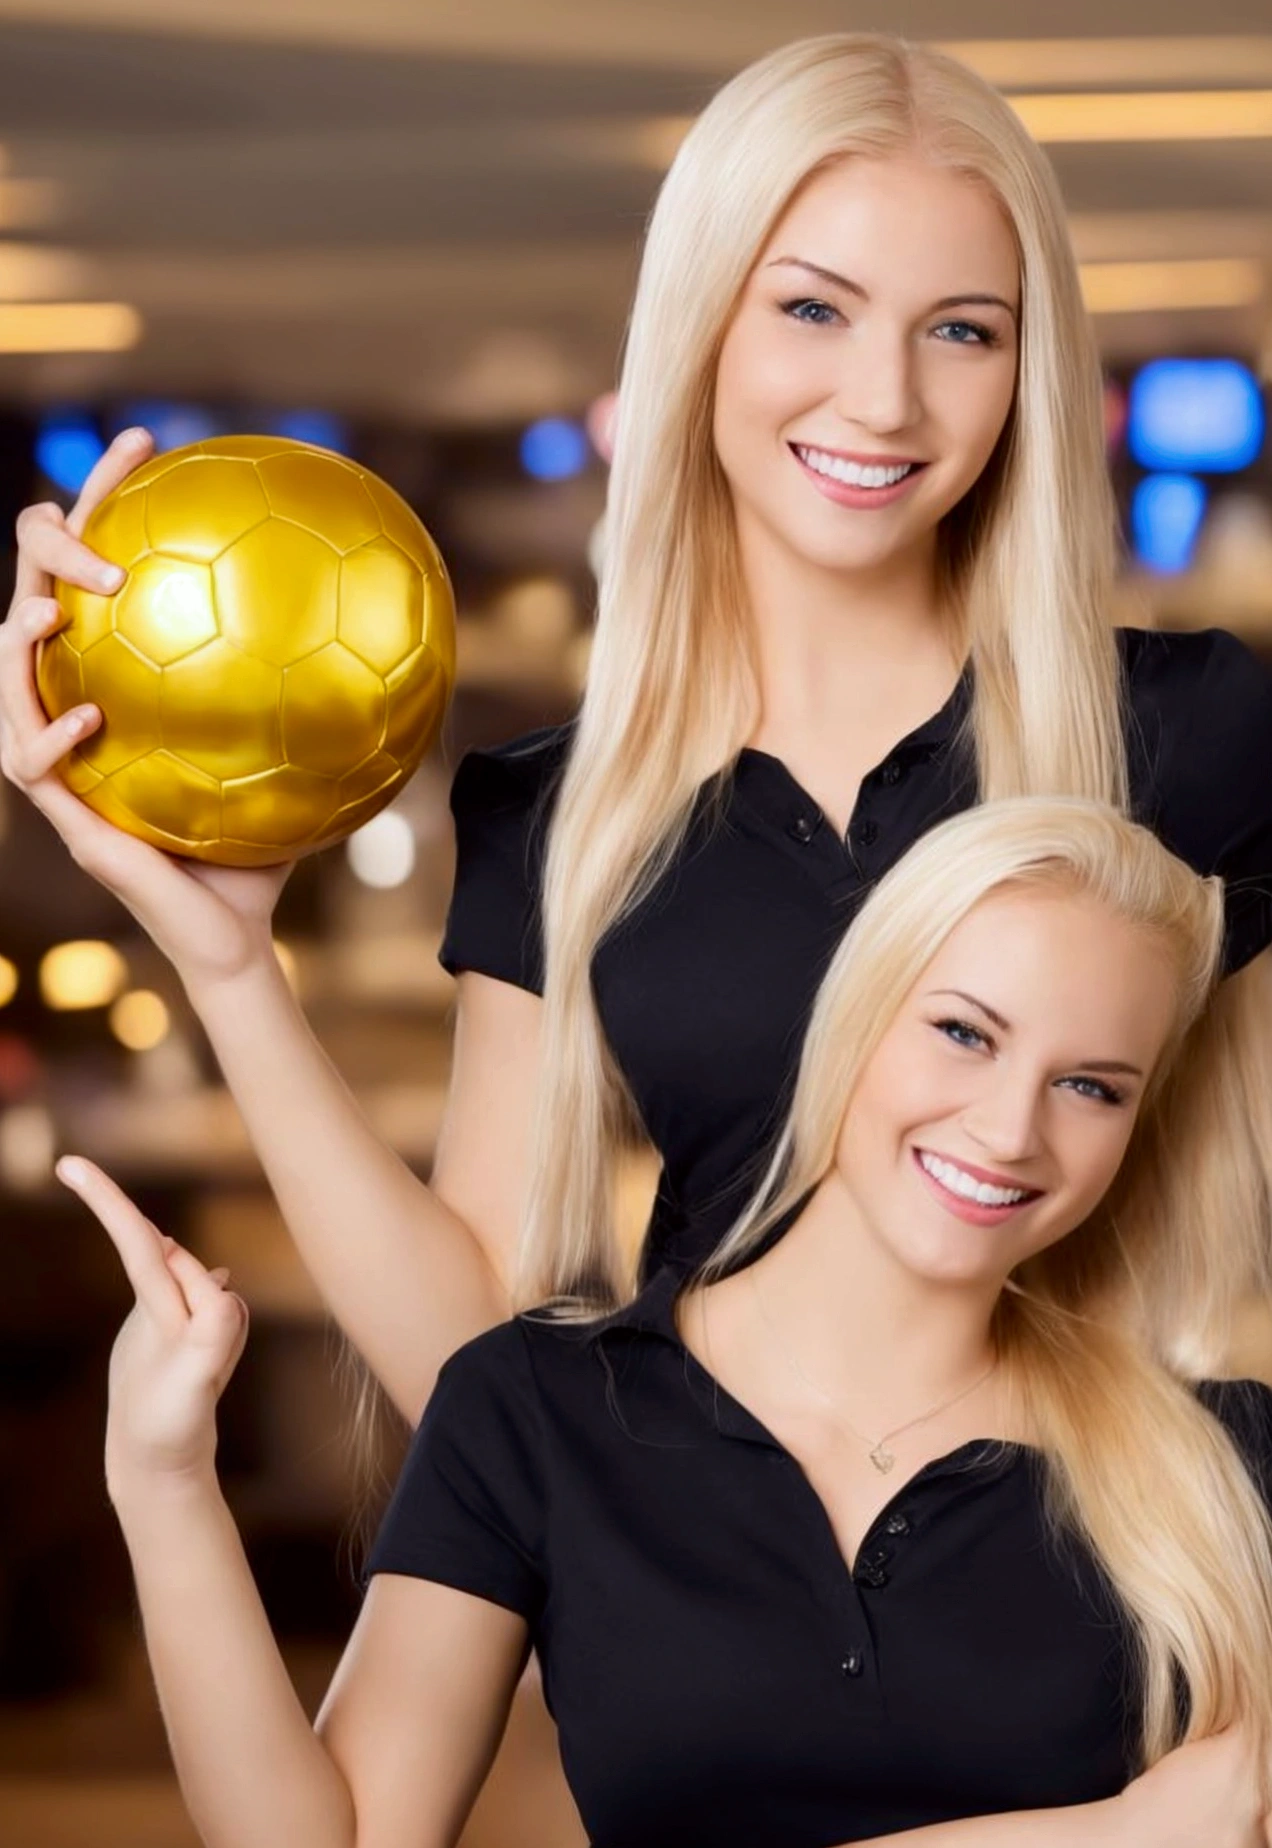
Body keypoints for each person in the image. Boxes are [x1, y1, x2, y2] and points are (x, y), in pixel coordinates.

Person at [4, 29, 1272, 1840]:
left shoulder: (1188, 743)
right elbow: (484, 1352)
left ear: (1028, 367)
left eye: (961, 330)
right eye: (813, 309)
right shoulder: (570, 809)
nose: (886, 403)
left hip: (1089, 1554)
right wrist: (227, 968)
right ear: (699, 331)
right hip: (718, 1573)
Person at [63, 799, 1272, 1847]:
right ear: (853, 1023)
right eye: (964, 1032)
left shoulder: (1222, 1471)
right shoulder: (539, 1409)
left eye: (1091, 1087)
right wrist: (162, 1478)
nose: (1013, 1130)